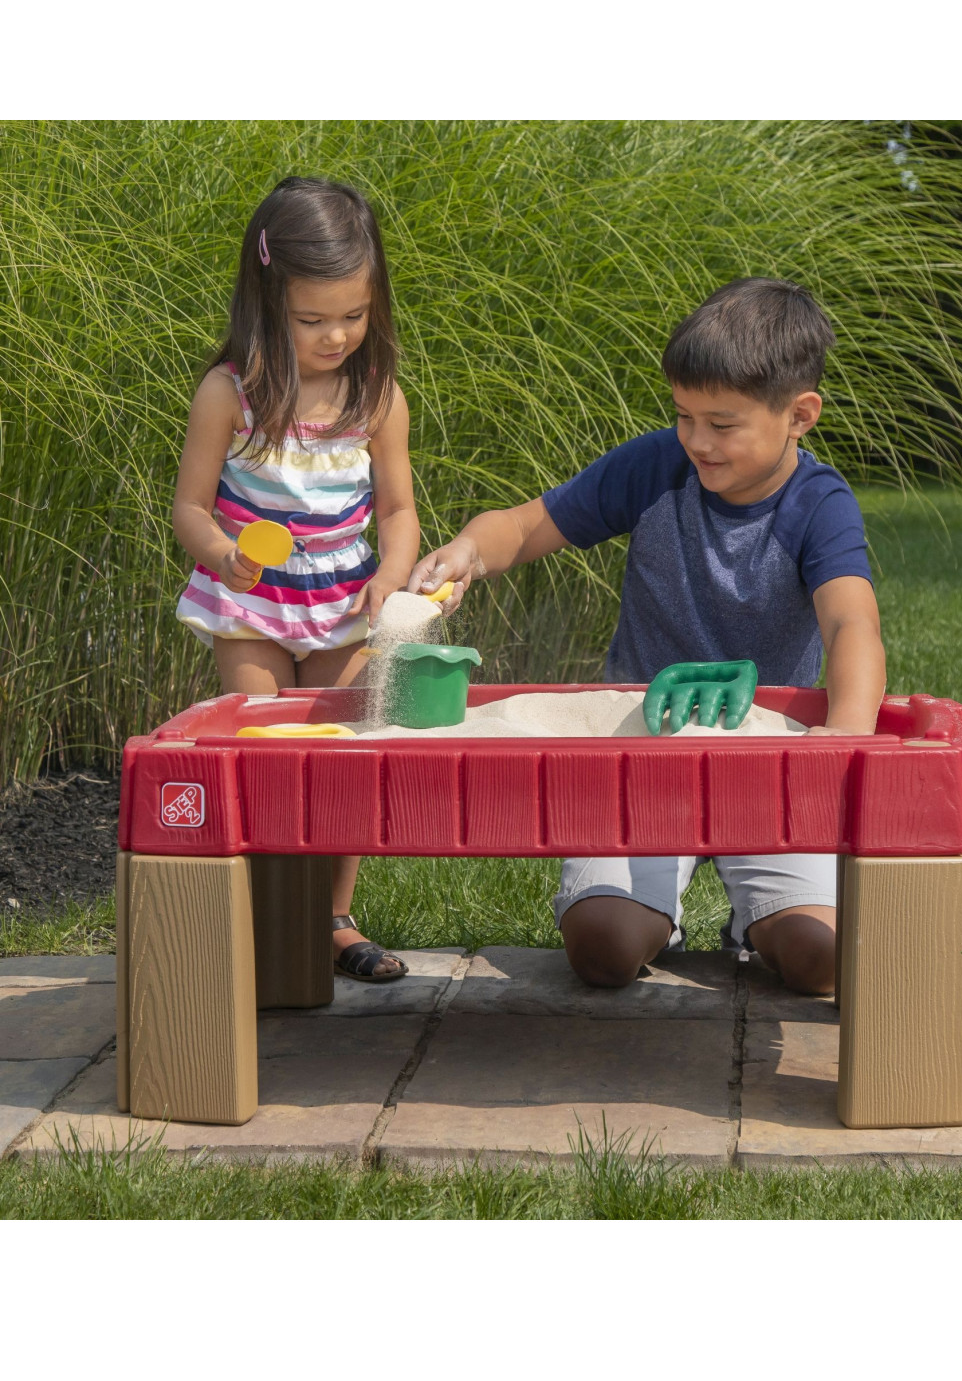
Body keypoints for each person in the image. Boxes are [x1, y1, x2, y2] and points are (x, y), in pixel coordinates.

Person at [408, 277, 886, 995]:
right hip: (642, 753)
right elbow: (525, 525)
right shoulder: (658, 466)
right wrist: (471, 550)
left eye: (721, 424)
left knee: (821, 959)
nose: (697, 441)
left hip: (768, 766)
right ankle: (658, 912)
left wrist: (843, 736)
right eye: (684, 416)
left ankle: (755, 918)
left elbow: (852, 623)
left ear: (800, 415)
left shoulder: (818, 505)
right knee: (603, 949)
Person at [173, 176, 417, 982]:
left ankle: (336, 918)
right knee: (265, 753)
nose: (336, 335)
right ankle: (269, 916)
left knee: (342, 759)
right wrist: (222, 554)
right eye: (313, 320)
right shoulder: (230, 394)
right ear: (268, 297)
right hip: (251, 606)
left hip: (344, 604)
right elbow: (189, 508)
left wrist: (393, 576)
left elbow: (399, 511)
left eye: (355, 316)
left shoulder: (376, 398)